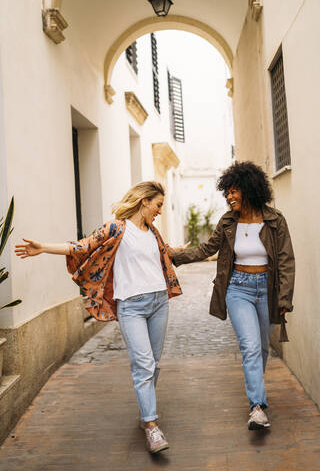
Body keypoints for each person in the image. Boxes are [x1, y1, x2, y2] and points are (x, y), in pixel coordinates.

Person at [15, 181, 186, 453]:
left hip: (159, 302)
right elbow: (81, 247)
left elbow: (164, 255)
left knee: (152, 363)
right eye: (158, 205)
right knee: (143, 365)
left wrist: (182, 250)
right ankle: (151, 425)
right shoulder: (115, 228)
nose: (160, 211)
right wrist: (44, 247)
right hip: (131, 306)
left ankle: (146, 409)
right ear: (144, 202)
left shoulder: (153, 232)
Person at [171, 161, 295, 430]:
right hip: (238, 287)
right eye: (226, 192)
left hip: (267, 289)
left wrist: (284, 299)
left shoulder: (275, 220)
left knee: (261, 348)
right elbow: (207, 248)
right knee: (250, 347)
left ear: (249, 189)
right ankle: (257, 407)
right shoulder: (228, 221)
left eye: (234, 191)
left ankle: (256, 394)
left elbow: (286, 260)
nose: (229, 197)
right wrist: (174, 255)